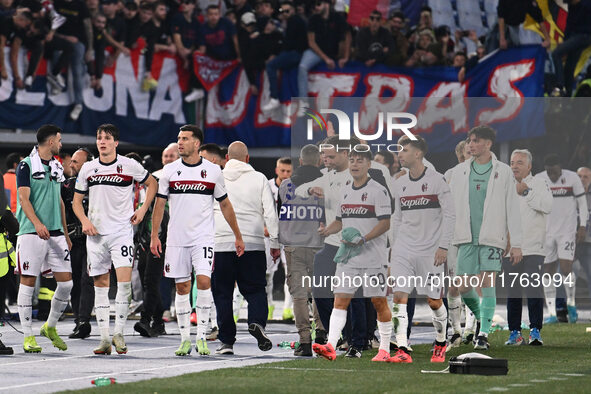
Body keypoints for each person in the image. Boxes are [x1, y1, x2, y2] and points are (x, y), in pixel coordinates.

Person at [151, 125, 244, 356]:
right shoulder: (169, 171)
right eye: (178, 138)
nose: (180, 142)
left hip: (203, 238)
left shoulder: (212, 171)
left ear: (196, 144)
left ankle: (202, 337)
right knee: (182, 287)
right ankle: (184, 339)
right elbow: (160, 205)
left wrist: (237, 235)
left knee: (203, 282)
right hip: (176, 239)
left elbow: (224, 204)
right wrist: (154, 235)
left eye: (185, 139)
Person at [73, 123, 158, 355]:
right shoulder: (88, 168)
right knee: (100, 287)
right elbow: (76, 202)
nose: (102, 141)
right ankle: (103, 339)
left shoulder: (129, 165)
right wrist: (84, 221)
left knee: (123, 284)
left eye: (107, 138)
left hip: (121, 233)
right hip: (96, 235)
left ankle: (119, 333)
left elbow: (153, 184)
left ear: (116, 142)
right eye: (99, 137)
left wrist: (142, 210)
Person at [312, 149, 393, 362]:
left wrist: (364, 238)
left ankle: (384, 349)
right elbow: (340, 220)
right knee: (340, 300)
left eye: (360, 160)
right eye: (352, 160)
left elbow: (385, 223)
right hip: (348, 257)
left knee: (378, 302)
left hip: (373, 257)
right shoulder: (346, 191)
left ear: (369, 165)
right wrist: (327, 230)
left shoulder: (378, 191)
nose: (355, 164)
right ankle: (330, 345)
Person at [449, 125, 523, 350]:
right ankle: (484, 319)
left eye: (475, 141)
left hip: (492, 236)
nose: (470, 145)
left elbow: (513, 208)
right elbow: (449, 205)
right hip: (465, 236)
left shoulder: (503, 171)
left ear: (488, 144)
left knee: (486, 282)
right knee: (462, 286)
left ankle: (482, 335)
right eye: (469, 141)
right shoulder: (460, 171)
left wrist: (516, 244)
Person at [390, 136, 454, 363]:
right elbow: (396, 218)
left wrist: (443, 246)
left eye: (404, 150)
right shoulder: (399, 183)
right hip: (404, 249)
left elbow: (450, 215)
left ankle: (440, 341)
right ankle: (402, 348)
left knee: (434, 302)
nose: (400, 155)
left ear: (418, 153)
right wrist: (393, 250)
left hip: (430, 251)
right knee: (399, 297)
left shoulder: (438, 180)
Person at [211, 141, 279, 355]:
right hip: (253, 243)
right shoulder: (259, 178)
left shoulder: (216, 177)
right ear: (248, 159)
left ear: (227, 159)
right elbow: (270, 213)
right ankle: (257, 322)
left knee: (222, 293)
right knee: (256, 289)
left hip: (221, 241)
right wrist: (275, 243)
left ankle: (226, 341)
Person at [15, 124, 72, 353]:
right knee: (28, 282)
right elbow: (23, 199)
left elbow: (59, 202)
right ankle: (28, 335)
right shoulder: (25, 166)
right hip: (31, 232)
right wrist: (38, 224)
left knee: (67, 283)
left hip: (56, 233)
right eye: (59, 139)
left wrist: (66, 233)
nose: (60, 143)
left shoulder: (56, 166)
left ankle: (50, 326)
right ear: (50, 142)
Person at [276, 144, 325, 356]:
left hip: (293, 246)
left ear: (301, 161)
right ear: (319, 161)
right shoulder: (327, 184)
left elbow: (280, 214)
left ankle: (304, 341)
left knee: (299, 296)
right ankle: (322, 334)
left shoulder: (285, 186)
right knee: (321, 292)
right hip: (320, 245)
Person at [505, 149, 552, 346]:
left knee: (533, 290)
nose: (514, 166)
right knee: (513, 292)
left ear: (529, 166)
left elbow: (547, 206)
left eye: (519, 162)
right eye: (512, 162)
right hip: (510, 249)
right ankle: (515, 332)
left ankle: (535, 331)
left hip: (533, 248)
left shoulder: (540, 184)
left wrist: (525, 192)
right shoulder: (505, 185)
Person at [536, 154, 587, 323]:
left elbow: (582, 204)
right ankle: (551, 313)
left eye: (555, 172)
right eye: (549, 173)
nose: (553, 176)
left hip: (567, 231)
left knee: (566, 268)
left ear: (561, 169)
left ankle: (571, 305)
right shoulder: (539, 179)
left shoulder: (572, 178)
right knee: (547, 271)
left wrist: (582, 226)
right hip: (546, 232)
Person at [134, 142, 178, 338]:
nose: (168, 159)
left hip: (170, 236)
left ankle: (146, 319)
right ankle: (158, 320)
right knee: (146, 278)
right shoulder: (154, 178)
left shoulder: (181, 178)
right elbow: (145, 207)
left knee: (152, 279)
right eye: (166, 155)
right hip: (148, 235)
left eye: (172, 156)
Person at [63, 148, 95, 339]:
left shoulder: (99, 184)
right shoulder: (66, 186)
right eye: (72, 161)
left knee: (87, 280)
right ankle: (78, 322)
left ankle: (84, 321)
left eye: (76, 161)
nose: (71, 165)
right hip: (73, 241)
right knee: (74, 282)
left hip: (94, 240)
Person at [297, 0, 349, 101]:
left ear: (327, 4)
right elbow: (311, 42)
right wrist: (325, 59)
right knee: (302, 67)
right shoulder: (313, 19)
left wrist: (345, 57)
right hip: (315, 52)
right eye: (314, 5)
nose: (316, 7)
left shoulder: (338, 18)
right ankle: (303, 101)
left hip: (332, 52)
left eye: (318, 4)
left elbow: (347, 35)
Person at [261, 0, 307, 112]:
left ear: (293, 10)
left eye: (287, 11)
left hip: (295, 53)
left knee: (271, 66)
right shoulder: (289, 22)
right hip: (293, 52)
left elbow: (289, 44)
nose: (284, 13)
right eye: (282, 11)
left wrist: (278, 55)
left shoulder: (294, 21)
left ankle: (274, 98)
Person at [53, 0, 94, 120]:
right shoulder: (57, 3)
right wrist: (64, 37)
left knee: (77, 68)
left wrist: (90, 48)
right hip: (61, 39)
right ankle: (56, 81)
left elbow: (88, 28)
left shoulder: (81, 5)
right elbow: (51, 25)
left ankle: (78, 103)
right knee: (55, 54)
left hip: (78, 41)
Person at [265, 157, 292, 321]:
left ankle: (288, 309)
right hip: (270, 235)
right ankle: (268, 305)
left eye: (289, 171)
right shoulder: (267, 186)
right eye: (282, 170)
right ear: (276, 170)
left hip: (289, 236)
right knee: (267, 275)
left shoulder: (298, 188)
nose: (285, 174)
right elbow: (258, 209)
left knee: (291, 274)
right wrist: (263, 228)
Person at [551, 0, 591, 96]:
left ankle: (560, 86)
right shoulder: (572, 6)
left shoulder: (587, 5)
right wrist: (565, 43)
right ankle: (567, 96)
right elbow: (569, 25)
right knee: (569, 68)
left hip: (584, 36)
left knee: (556, 53)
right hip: (575, 36)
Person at [576, 167, 591, 299]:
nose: (582, 179)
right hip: (571, 242)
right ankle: (563, 309)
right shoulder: (569, 194)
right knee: (565, 276)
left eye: (585, 177)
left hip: (588, 243)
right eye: (579, 176)